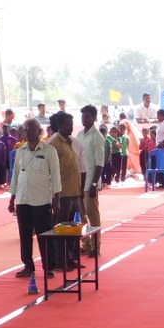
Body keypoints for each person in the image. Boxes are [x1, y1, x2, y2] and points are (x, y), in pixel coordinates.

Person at [8, 118, 60, 279]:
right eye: (25, 130)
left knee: (45, 235)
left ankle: (49, 267)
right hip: (22, 198)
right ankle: (28, 266)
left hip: (41, 199)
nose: (27, 133)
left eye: (30, 130)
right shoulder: (20, 151)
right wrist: (12, 198)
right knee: (24, 235)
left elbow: (56, 176)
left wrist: (56, 200)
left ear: (39, 132)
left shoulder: (49, 151)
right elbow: (15, 175)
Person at [48, 112, 83, 270]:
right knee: (61, 229)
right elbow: (50, 171)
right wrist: (54, 197)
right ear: (60, 125)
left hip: (73, 191)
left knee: (72, 229)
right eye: (69, 124)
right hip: (62, 194)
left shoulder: (69, 141)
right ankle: (59, 261)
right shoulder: (53, 143)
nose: (71, 127)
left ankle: (69, 258)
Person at [77, 106, 106, 259]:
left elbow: (100, 163)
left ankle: (96, 246)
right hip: (80, 182)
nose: (84, 119)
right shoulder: (79, 135)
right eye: (82, 116)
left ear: (94, 118)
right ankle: (86, 244)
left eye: (87, 116)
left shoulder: (97, 137)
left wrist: (94, 184)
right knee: (81, 217)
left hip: (90, 183)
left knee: (93, 216)